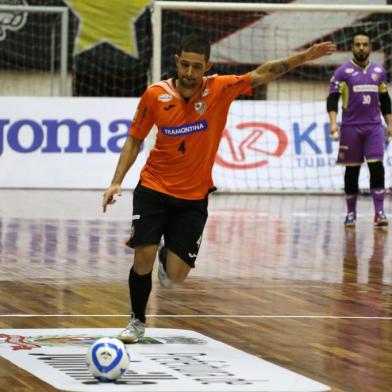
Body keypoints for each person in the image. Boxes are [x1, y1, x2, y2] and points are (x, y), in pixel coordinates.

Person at [102, 35, 336, 343]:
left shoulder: (220, 88)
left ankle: (166, 258)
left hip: (193, 197)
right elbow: (134, 139)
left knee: (176, 275)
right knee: (141, 255)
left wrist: (304, 56)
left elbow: (264, 72)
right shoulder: (155, 94)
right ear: (176, 61)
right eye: (184, 65)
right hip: (153, 188)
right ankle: (137, 321)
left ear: (207, 67)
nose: (189, 72)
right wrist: (116, 180)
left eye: (196, 67)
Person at [327, 31, 392, 228]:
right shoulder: (342, 72)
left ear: (370, 47)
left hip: (373, 128)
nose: (361, 48)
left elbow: (385, 100)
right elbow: (332, 98)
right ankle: (351, 213)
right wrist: (332, 122)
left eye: (365, 44)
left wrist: (390, 124)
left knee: (377, 168)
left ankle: (379, 213)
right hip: (350, 128)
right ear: (352, 47)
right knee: (352, 171)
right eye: (357, 44)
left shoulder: (379, 71)